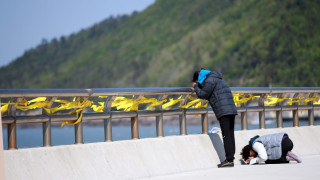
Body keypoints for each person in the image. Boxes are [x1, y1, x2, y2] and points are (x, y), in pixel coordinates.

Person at [192, 68, 238, 168]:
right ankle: (231, 158)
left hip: (223, 110)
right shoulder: (217, 78)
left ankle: (229, 160)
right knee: (230, 134)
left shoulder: (209, 81)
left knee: (226, 135)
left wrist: (196, 87)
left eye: (197, 81)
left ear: (199, 78)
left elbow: (203, 94)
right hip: (231, 108)